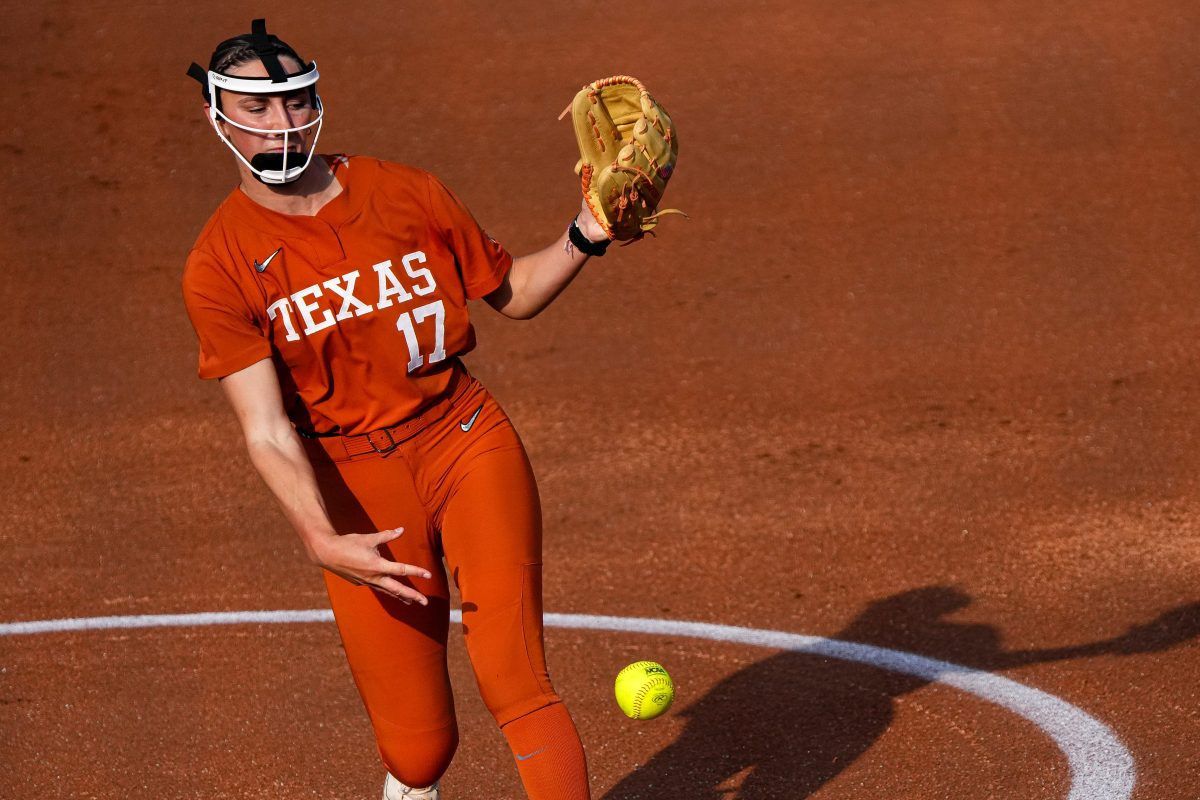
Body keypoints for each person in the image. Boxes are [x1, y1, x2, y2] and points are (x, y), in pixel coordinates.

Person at [181, 20, 609, 800]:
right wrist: (320, 537)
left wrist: (588, 234)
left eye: (295, 102)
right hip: (356, 485)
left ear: (317, 103)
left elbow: (513, 294)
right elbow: (266, 430)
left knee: (517, 683)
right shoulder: (220, 262)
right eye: (257, 108)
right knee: (418, 752)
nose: (281, 124)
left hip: (463, 437)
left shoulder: (405, 191)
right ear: (219, 118)